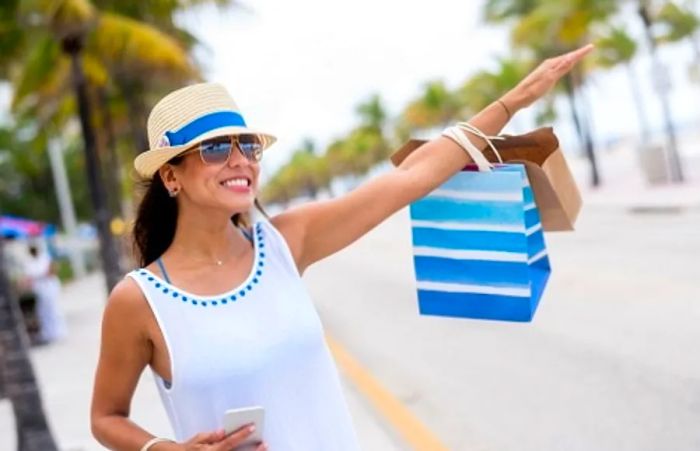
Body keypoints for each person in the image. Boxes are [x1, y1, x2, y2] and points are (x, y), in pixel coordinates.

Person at [90, 45, 593, 451]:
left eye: (248, 145)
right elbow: (106, 417)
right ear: (171, 175)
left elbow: (412, 177)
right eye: (216, 148)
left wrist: (515, 99)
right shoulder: (140, 301)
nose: (240, 160)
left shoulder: (286, 243)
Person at [23, 243, 67, 344]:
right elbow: (29, 277)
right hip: (39, 288)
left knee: (53, 309)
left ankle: (59, 332)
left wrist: (44, 275)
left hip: (49, 286)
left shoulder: (45, 258)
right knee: (42, 311)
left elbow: (53, 270)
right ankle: (48, 333)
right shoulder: (29, 262)